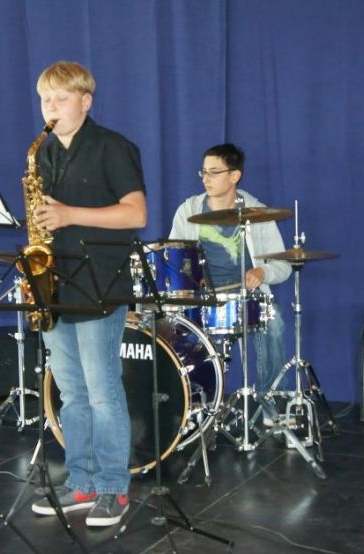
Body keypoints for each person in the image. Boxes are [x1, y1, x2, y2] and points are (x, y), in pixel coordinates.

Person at [29, 61, 146, 527]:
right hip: (55, 286)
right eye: (45, 100)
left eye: (60, 99)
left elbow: (136, 214)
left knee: (101, 393)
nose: (51, 108)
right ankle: (81, 481)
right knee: (72, 395)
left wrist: (69, 214)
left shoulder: (112, 147)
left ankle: (114, 488)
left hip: (99, 284)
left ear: (86, 101)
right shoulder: (42, 154)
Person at [169, 143, 291, 422]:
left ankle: (270, 405)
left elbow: (283, 265)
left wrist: (262, 273)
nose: (206, 178)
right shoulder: (188, 210)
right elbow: (174, 259)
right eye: (203, 172)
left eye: (214, 172)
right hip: (205, 299)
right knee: (179, 334)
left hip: (248, 297)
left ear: (235, 176)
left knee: (275, 325)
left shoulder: (257, 213)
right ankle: (199, 408)